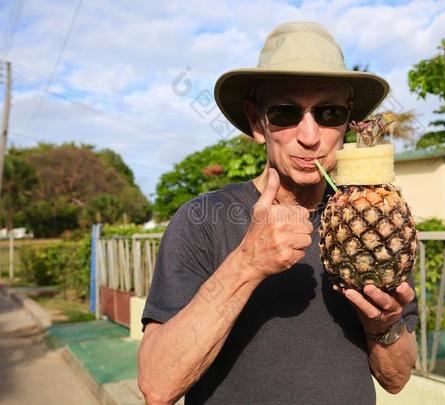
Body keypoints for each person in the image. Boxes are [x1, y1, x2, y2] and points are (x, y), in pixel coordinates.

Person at [138, 21, 418, 405]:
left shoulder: (378, 222)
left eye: (329, 112)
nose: (310, 136)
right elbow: (157, 384)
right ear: (257, 122)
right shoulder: (202, 219)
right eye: (286, 113)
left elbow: (397, 379)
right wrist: (246, 263)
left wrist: (383, 326)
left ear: (346, 123)